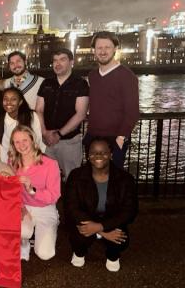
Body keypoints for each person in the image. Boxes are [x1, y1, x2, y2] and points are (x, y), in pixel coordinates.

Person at [64, 137, 138, 272]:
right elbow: (71, 208)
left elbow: (130, 211)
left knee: (120, 238)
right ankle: (79, 252)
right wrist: (102, 231)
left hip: (110, 219)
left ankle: (113, 256)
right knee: (78, 235)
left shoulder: (125, 179)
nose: (98, 156)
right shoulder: (76, 176)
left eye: (103, 152)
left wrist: (100, 226)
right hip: (86, 219)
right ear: (88, 155)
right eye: (94, 152)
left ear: (111, 155)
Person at [86, 31, 139, 168]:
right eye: (99, 48)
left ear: (115, 49)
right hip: (92, 137)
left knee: (114, 180)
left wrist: (121, 138)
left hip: (115, 139)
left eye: (107, 47)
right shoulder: (92, 76)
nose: (103, 51)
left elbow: (132, 112)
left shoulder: (127, 76)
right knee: (92, 178)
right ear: (94, 51)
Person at [9, 125, 61, 262]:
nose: (21, 145)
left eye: (25, 140)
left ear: (32, 140)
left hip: (45, 208)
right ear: (13, 145)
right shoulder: (12, 163)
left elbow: (54, 196)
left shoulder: (50, 164)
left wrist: (32, 190)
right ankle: (24, 243)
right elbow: (10, 191)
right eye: (17, 142)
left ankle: (52, 223)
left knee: (45, 254)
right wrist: (20, 206)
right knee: (23, 232)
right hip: (23, 207)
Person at [36, 48, 89, 180]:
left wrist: (59, 134)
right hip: (47, 140)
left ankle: (71, 201)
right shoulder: (46, 83)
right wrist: (44, 132)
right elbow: (39, 109)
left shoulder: (81, 84)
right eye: (55, 60)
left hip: (69, 141)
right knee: (46, 178)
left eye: (62, 60)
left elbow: (81, 114)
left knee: (72, 178)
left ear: (71, 62)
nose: (57, 63)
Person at [0, 87, 45, 162]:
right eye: (5, 99)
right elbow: (0, 146)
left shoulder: (31, 116)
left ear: (20, 102)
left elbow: (37, 140)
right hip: (7, 162)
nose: (8, 102)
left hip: (31, 159)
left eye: (13, 99)